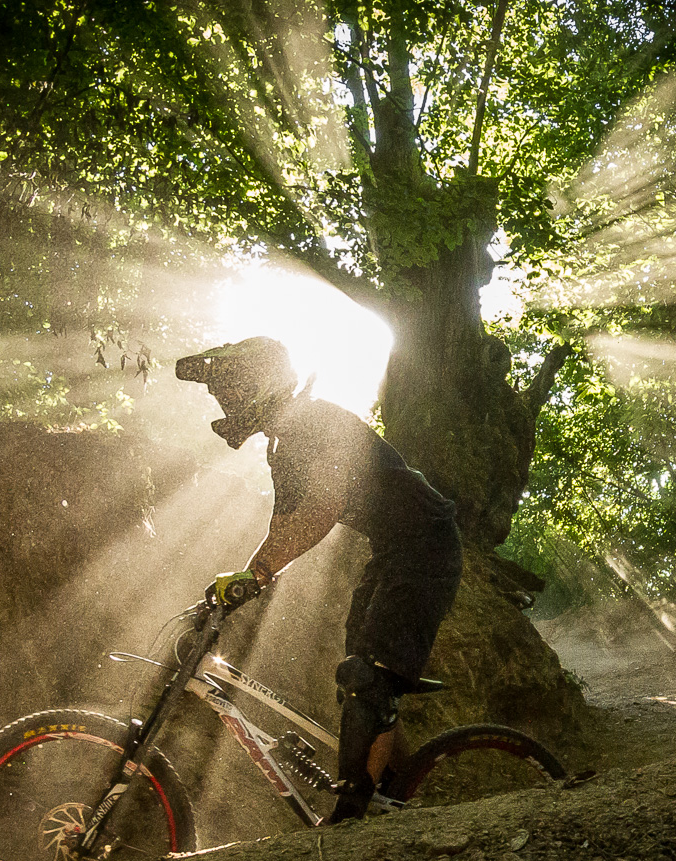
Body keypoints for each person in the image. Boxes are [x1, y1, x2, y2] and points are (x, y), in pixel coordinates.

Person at [175, 336, 463, 824]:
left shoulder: (312, 423)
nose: (218, 398)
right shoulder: (285, 443)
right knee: (361, 678)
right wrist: (243, 584)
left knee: (367, 680)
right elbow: (282, 526)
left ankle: (353, 814)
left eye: (224, 387)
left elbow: (320, 509)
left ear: (254, 384)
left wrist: (259, 574)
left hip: (427, 546)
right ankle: (396, 787)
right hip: (396, 550)